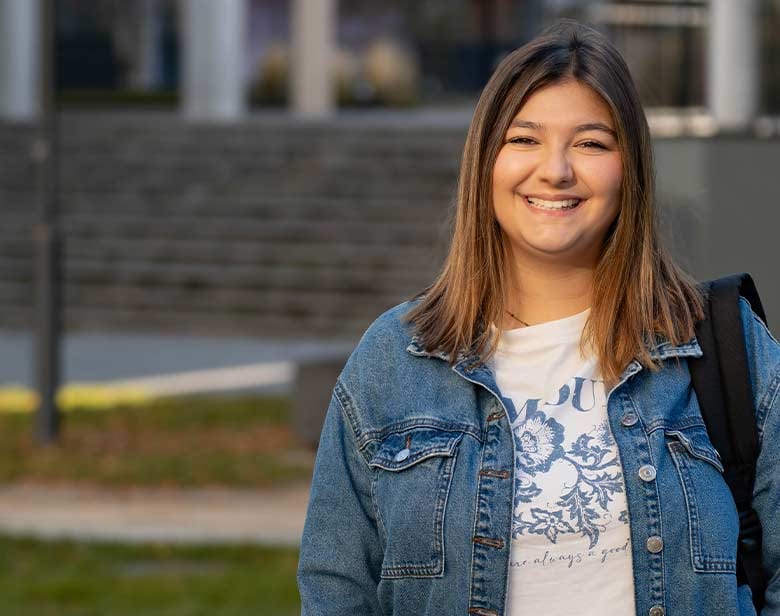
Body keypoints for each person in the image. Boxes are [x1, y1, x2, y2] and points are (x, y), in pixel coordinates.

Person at [296, 19, 780, 616]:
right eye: (524, 139)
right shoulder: (394, 359)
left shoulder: (724, 345)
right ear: (485, 161)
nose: (555, 170)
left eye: (591, 144)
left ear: (630, 168)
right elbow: (336, 588)